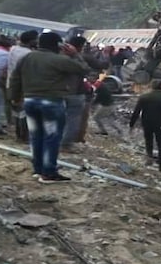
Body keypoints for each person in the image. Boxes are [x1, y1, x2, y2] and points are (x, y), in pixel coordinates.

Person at [9, 31, 89, 184]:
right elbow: (83, 69)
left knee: (36, 136)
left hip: (29, 101)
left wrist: (14, 97)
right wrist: (75, 54)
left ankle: (38, 169)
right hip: (51, 102)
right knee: (51, 138)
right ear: (58, 44)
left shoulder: (27, 57)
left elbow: (15, 77)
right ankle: (49, 173)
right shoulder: (59, 60)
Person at [59, 36, 107, 151]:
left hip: (58, 90)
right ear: (81, 46)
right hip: (77, 91)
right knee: (74, 119)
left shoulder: (58, 55)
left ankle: (56, 139)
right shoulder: (84, 57)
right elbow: (97, 66)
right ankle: (67, 143)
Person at [129, 80, 161, 173]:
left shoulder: (144, 97)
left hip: (146, 123)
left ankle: (149, 158)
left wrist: (131, 124)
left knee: (149, 140)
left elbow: (136, 112)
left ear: (152, 87)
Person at [7, 30, 39, 141]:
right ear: (31, 41)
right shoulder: (28, 54)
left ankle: (19, 134)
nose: (37, 41)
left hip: (11, 81)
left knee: (17, 109)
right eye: (36, 39)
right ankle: (23, 136)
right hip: (23, 84)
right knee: (25, 111)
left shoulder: (13, 49)